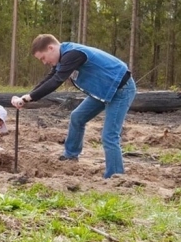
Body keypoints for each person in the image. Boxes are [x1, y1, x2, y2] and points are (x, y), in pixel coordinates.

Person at [11, 34, 136, 179]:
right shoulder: (63, 58)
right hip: (103, 90)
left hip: (120, 90)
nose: (44, 62)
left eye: (43, 58)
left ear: (51, 48)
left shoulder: (73, 54)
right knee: (77, 117)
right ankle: (70, 155)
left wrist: (30, 97)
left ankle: (115, 176)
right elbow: (50, 78)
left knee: (109, 135)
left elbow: (56, 81)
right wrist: (27, 96)